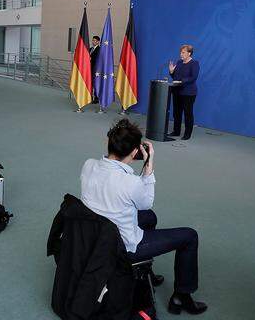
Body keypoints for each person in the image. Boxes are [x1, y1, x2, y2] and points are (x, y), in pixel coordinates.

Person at [80, 118, 207, 315]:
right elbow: (146, 201)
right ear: (134, 152)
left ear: (109, 143)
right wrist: (149, 165)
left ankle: (143, 271)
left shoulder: (88, 165)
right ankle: (181, 296)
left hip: (96, 238)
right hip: (123, 246)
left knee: (149, 217)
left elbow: (143, 208)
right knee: (189, 236)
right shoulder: (130, 182)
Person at [169, 44, 200, 140]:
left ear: (189, 53)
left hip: (188, 93)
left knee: (187, 113)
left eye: (183, 52)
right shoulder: (179, 63)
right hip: (177, 91)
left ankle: (187, 134)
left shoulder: (194, 63)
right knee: (176, 112)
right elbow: (175, 78)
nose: (181, 54)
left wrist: (182, 81)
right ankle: (176, 131)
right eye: (180, 52)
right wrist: (171, 72)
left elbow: (193, 77)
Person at [90, 36, 101, 104]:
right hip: (89, 69)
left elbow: (98, 59)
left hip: (96, 69)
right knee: (90, 83)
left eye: (95, 40)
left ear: (98, 41)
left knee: (96, 84)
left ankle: (96, 98)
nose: (93, 42)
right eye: (93, 40)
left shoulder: (100, 49)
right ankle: (90, 97)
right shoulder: (90, 49)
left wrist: (91, 59)